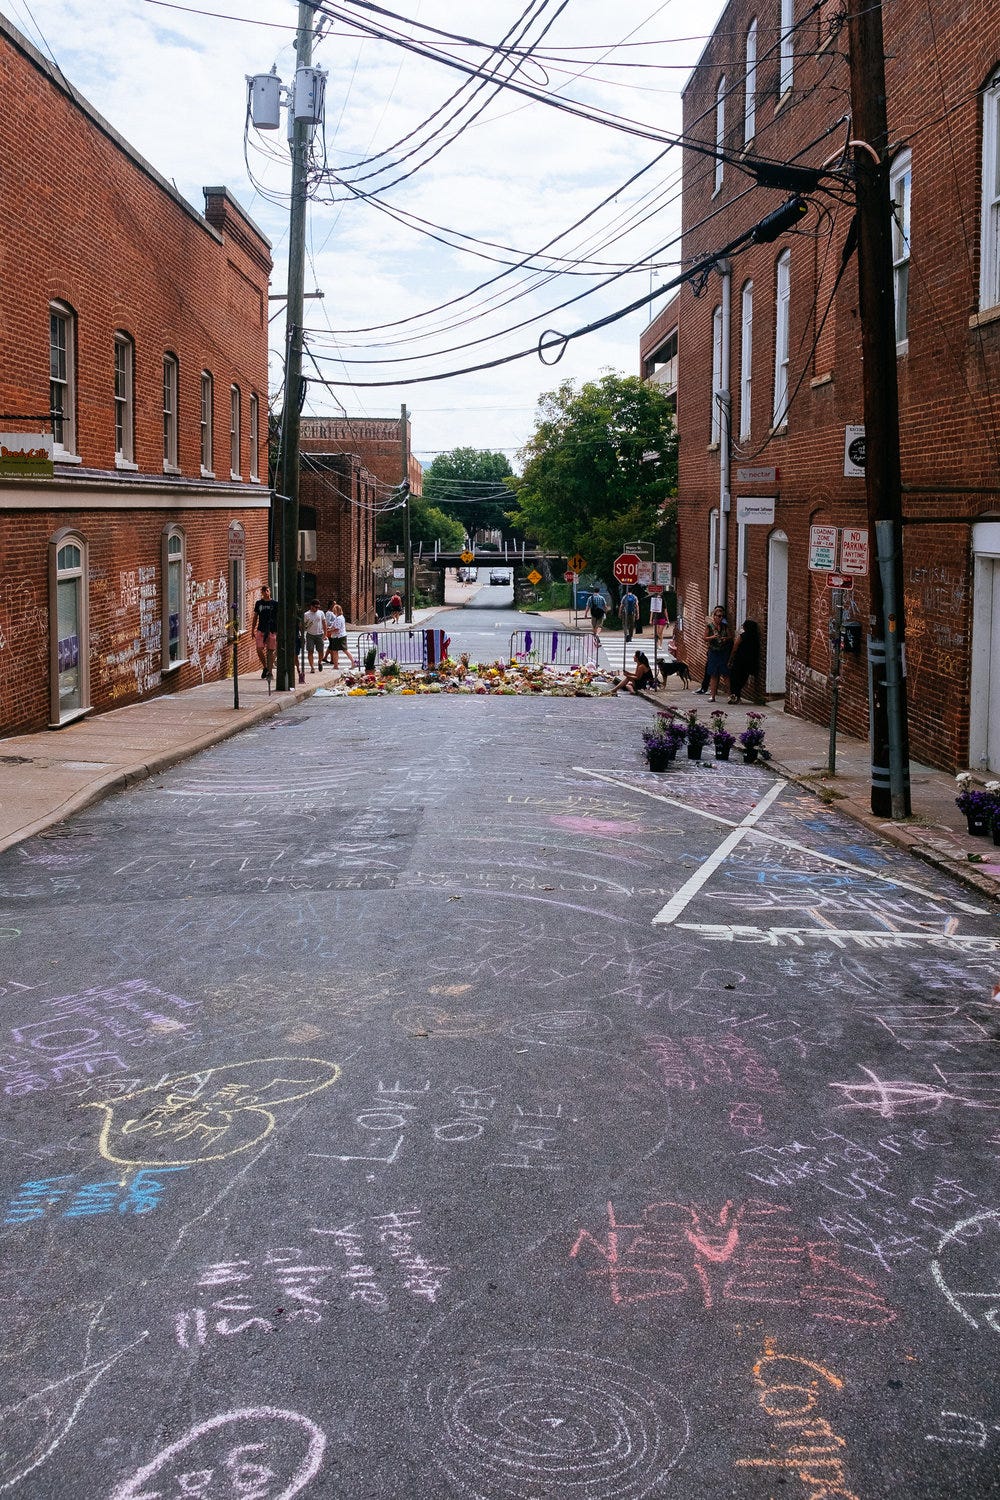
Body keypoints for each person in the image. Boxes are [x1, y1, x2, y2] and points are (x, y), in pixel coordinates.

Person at [704, 606, 733, 702]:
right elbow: (705, 638)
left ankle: (729, 695)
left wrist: (726, 638)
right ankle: (712, 696)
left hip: (723, 652)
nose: (720, 618)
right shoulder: (710, 626)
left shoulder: (725, 626)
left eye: (722, 616)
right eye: (719, 616)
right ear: (714, 616)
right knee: (714, 674)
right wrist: (712, 637)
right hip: (713, 652)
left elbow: (730, 636)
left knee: (726, 674)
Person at [728, 619, 761, 703]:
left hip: (739, 661)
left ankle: (735, 695)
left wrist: (730, 659)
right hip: (750, 662)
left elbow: (735, 647)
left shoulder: (742, 636)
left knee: (734, 678)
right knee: (742, 679)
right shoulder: (755, 637)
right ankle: (737, 696)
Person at [251, 585, 278, 681]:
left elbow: (278, 617)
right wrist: (252, 629)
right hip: (261, 629)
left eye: (267, 591)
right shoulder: (259, 603)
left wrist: (278, 631)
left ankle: (270, 672)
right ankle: (265, 667)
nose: (265, 592)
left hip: (272, 630)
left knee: (270, 651)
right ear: (261, 593)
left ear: (269, 591)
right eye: (263, 591)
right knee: (259, 649)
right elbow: (255, 617)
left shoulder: (275, 604)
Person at [326, 602, 355, 670]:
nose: (333, 611)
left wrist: (329, 631)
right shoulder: (339, 617)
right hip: (339, 636)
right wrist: (330, 628)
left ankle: (353, 662)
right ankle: (336, 665)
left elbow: (337, 628)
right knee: (336, 651)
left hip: (338, 637)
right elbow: (335, 626)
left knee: (342, 650)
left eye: (334, 610)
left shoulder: (339, 618)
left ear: (336, 611)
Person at [303, 599, 326, 672]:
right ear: (311, 606)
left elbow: (324, 623)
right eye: (315, 607)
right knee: (310, 651)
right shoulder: (306, 614)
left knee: (321, 651)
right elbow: (303, 625)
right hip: (310, 635)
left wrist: (325, 634)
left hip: (319, 634)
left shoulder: (321, 613)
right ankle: (312, 667)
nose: (317, 609)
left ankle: (320, 662)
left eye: (318, 607)